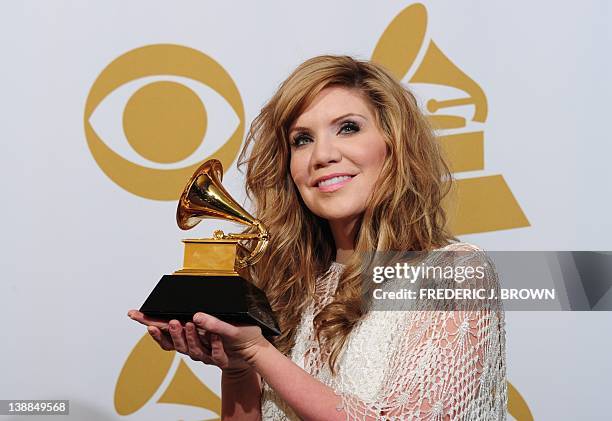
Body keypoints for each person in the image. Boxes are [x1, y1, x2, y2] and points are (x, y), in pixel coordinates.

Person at [128, 55, 507, 420]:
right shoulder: (288, 284)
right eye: (302, 139)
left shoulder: (457, 272)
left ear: (395, 146)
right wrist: (240, 369)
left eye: (348, 128)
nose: (322, 155)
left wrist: (259, 352)